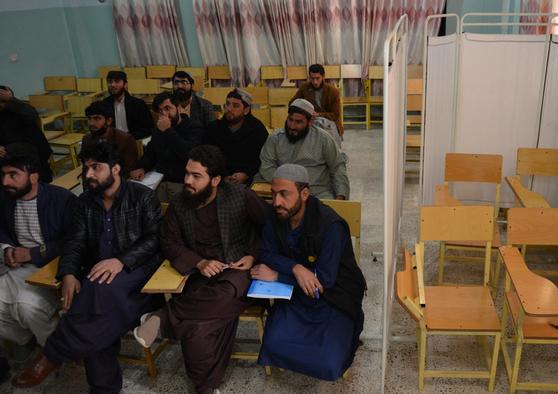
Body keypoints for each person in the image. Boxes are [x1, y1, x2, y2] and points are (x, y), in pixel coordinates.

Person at [12, 140, 164, 392]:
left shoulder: (142, 196)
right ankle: (103, 389)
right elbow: (74, 243)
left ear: (115, 169)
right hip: (100, 283)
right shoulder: (84, 202)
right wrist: (69, 273)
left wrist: (120, 261)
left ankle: (54, 353)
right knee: (98, 312)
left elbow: (154, 239)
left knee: (95, 292)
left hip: (138, 277)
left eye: (96, 167)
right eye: (86, 168)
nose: (88, 174)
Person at [133, 145, 268, 394]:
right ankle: (207, 388)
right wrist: (198, 262)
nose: (187, 181)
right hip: (197, 275)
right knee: (197, 329)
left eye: (196, 176)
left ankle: (164, 318)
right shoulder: (179, 203)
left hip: (235, 271)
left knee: (226, 293)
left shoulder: (241, 196)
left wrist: (252, 255)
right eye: (187, 174)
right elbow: (169, 241)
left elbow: (269, 228)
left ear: (215, 180)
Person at [252, 164, 366, 381]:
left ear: (304, 193)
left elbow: (325, 279)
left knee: (328, 362)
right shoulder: (276, 215)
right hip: (296, 295)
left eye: (284, 194)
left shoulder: (330, 224)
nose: (277, 202)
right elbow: (266, 252)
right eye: (273, 194)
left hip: (333, 298)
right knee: (273, 345)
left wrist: (278, 276)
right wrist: (296, 268)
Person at [0, 144, 76, 359]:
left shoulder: (61, 199)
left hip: (51, 267)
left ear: (34, 177)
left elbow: (73, 240)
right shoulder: (4, 198)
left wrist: (32, 254)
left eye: (13, 175)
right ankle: (25, 339)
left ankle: (54, 351)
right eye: (4, 175)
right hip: (16, 267)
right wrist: (7, 250)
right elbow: (2, 231)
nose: (5, 181)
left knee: (27, 306)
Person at [256, 98, 349, 200]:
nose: (292, 126)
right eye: (290, 120)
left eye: (298, 122)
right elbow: (266, 167)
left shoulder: (323, 139)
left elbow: (338, 167)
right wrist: (287, 184)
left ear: (310, 122)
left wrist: (341, 196)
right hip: (285, 191)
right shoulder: (275, 139)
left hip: (317, 192)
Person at [130, 92, 204, 202]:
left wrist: (168, 131)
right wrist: (142, 168)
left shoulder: (194, 127)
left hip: (182, 181)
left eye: (167, 108)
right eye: (160, 111)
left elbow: (189, 154)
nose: (164, 114)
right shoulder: (158, 129)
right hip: (160, 180)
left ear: (178, 108)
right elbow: (150, 154)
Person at [204, 88, 268, 185]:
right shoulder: (214, 128)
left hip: (248, 181)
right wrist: (222, 176)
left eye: (236, 106)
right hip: (217, 179)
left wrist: (246, 174)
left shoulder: (257, 129)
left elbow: (262, 159)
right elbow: (208, 157)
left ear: (246, 110)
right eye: (227, 104)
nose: (229, 109)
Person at [0, 86, 53, 182]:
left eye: (4, 102)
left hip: (32, 155)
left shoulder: (20, 110)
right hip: (7, 160)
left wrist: (11, 99)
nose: (2, 105)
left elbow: (32, 116)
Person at [81, 100, 139, 175]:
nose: (91, 123)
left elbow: (130, 169)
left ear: (109, 121)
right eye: (89, 118)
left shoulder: (125, 139)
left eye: (97, 118)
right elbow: (85, 166)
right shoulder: (87, 139)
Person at [290, 64, 343, 137]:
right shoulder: (304, 88)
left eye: (317, 78)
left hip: (328, 123)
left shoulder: (333, 92)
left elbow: (336, 115)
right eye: (312, 78)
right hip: (310, 120)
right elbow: (292, 103)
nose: (315, 82)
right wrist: (304, 111)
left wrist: (318, 114)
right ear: (309, 77)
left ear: (323, 77)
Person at [103, 70, 153, 140]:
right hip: (111, 142)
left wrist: (127, 138)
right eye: (110, 81)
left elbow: (147, 129)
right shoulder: (104, 104)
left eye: (117, 81)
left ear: (125, 84)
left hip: (133, 141)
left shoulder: (138, 104)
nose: (113, 85)